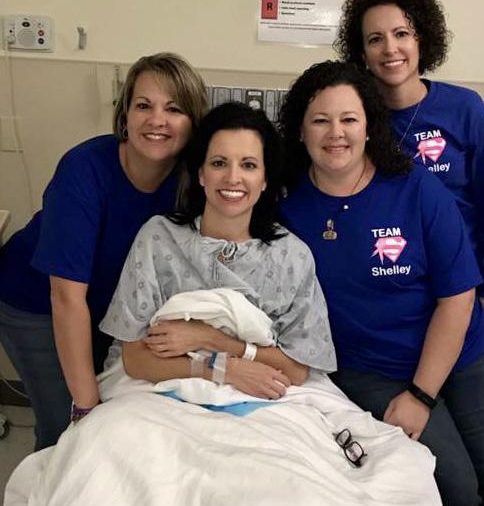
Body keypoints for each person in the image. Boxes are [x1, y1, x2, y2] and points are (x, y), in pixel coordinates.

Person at [278, 60, 484, 506]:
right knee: (456, 487)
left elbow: (457, 297)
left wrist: (421, 394)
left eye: (349, 119)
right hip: (374, 369)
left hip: (463, 353)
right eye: (320, 120)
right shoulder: (288, 210)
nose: (336, 133)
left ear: (369, 127)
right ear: (300, 130)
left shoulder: (417, 188)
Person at [0, 52, 208, 449]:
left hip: (103, 309)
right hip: (35, 305)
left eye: (174, 109)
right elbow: (65, 299)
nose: (157, 120)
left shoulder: (189, 180)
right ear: (125, 114)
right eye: (143, 105)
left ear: (193, 122)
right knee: (66, 428)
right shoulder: (84, 171)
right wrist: (84, 408)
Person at [99, 101, 336, 396]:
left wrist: (211, 339)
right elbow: (135, 359)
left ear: (265, 179)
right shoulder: (158, 238)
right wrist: (222, 370)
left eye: (248, 165)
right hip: (163, 395)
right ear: (201, 174)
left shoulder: (291, 256)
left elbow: (297, 369)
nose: (233, 178)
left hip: (263, 400)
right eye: (219, 163)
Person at [335, 0, 484, 326]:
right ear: (362, 52)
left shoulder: (465, 108)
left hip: (460, 284)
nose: (390, 49)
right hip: (387, 287)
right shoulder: (354, 119)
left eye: (402, 34)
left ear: (422, 40)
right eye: (375, 39)